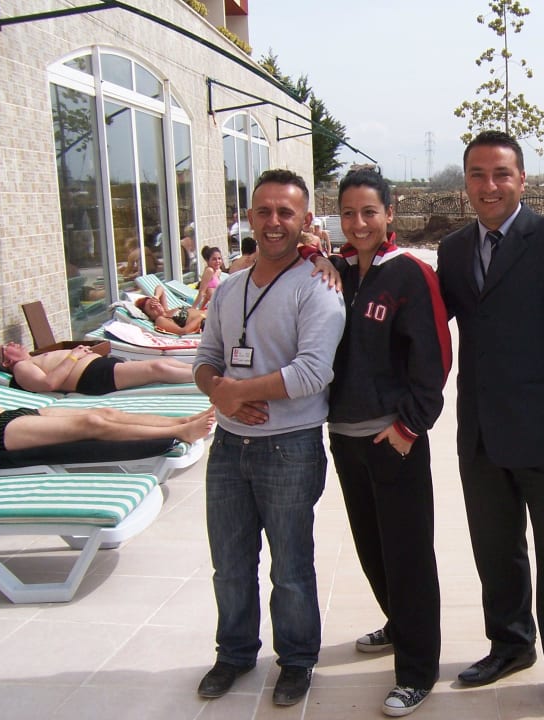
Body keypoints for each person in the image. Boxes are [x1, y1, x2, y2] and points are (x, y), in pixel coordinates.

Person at [437, 130, 544, 720]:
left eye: (501, 174)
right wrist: (332, 265)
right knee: (496, 549)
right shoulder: (453, 250)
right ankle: (510, 645)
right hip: (481, 433)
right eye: (478, 174)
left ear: (522, 180)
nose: (489, 186)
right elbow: (429, 315)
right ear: (466, 181)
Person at [193, 168, 346, 707]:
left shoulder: (319, 287)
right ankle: (234, 653)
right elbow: (205, 358)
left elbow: (313, 372)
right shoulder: (230, 288)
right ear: (249, 217)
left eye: (286, 212)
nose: (274, 221)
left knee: (291, 567)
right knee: (230, 564)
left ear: (305, 219)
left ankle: (297, 660)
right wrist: (218, 391)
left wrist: (236, 391)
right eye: (264, 211)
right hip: (228, 448)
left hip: (290, 447)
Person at [326, 168, 451, 716]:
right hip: (344, 436)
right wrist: (312, 255)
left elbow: (436, 357)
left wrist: (408, 427)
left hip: (393, 438)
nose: (359, 223)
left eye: (369, 212)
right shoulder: (334, 272)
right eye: (349, 213)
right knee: (371, 547)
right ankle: (400, 624)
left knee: (408, 554)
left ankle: (417, 671)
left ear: (389, 214)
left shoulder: (409, 275)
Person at [0, 398, 213, 451]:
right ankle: (180, 432)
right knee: (91, 423)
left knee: (105, 412)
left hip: (10, 414)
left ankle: (182, 420)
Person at [0, 342, 194, 395]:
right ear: (6, 362)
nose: (13, 343)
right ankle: (202, 377)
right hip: (92, 377)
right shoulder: (21, 368)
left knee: (162, 364)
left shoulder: (32, 359)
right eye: (7, 347)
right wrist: (74, 356)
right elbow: (48, 383)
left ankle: (200, 370)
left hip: (97, 368)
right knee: (156, 368)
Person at [135, 285, 206, 335]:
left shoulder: (166, 311)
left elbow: (160, 288)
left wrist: (156, 296)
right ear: (150, 316)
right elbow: (182, 331)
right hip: (206, 323)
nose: (156, 306)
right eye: (151, 307)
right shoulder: (160, 320)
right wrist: (201, 317)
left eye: (155, 302)